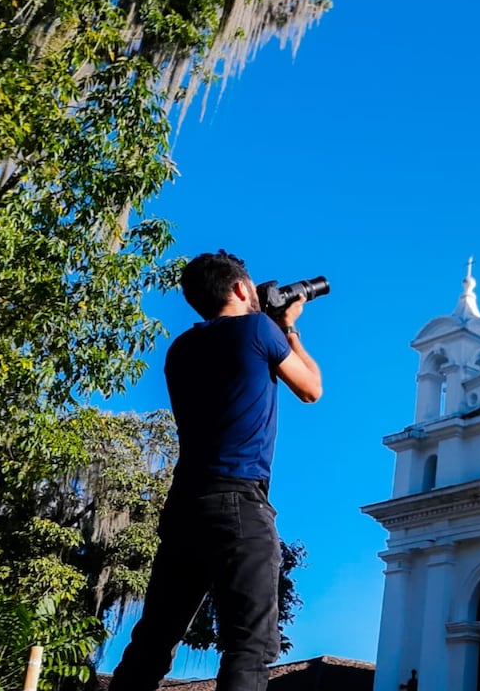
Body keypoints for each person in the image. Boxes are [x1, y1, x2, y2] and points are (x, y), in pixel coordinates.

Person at [109, 250, 323, 691]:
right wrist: (288, 323)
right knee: (250, 644)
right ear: (242, 289)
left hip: (185, 505)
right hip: (238, 504)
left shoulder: (181, 349)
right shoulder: (259, 329)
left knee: (152, 642)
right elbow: (311, 388)